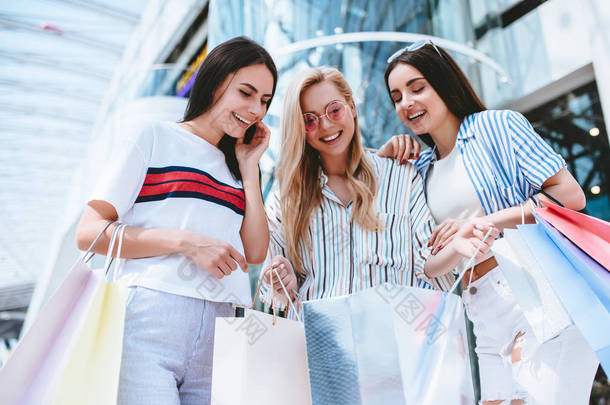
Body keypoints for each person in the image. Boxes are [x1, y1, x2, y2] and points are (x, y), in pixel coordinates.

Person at [380, 40, 599, 405]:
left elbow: (570, 194)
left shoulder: (497, 127)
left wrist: (485, 222)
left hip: (532, 294)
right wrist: (384, 159)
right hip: (481, 313)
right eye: (397, 96)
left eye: (417, 88)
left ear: (443, 84)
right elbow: (425, 262)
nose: (406, 103)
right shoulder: (420, 170)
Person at [75, 36, 277, 405]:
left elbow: (256, 250)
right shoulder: (153, 136)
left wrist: (250, 170)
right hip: (150, 316)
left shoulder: (241, 166)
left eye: (264, 100)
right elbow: (89, 232)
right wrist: (185, 242)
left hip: (223, 325)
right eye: (246, 93)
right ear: (216, 82)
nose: (255, 110)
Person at [261, 66, 498, 313]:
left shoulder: (401, 175)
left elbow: (426, 261)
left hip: (397, 335)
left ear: (351, 107)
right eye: (309, 120)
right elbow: (275, 285)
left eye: (334, 110)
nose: (326, 126)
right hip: (321, 341)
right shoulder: (286, 197)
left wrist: (457, 246)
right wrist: (280, 279)